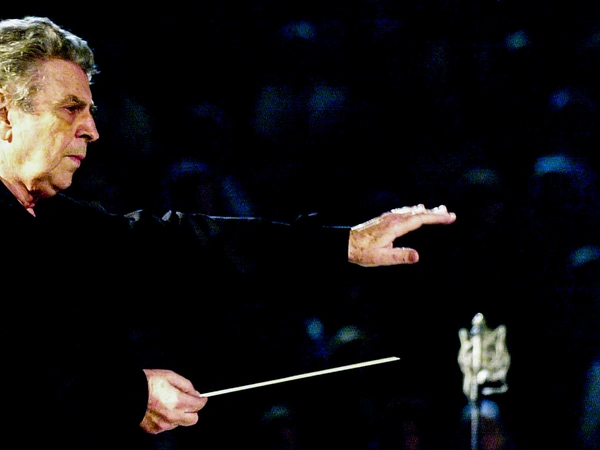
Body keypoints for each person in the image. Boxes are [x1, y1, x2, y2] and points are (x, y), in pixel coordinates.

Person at [0, 16, 457, 450]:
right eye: (71, 109)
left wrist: (344, 243)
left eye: (90, 111)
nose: (92, 130)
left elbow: (185, 245)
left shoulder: (58, 220)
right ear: (5, 114)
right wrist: (128, 393)